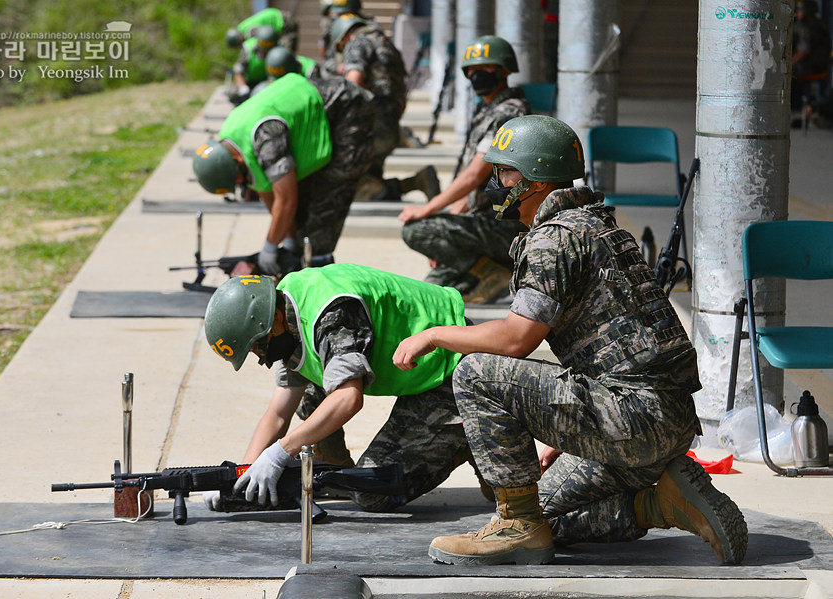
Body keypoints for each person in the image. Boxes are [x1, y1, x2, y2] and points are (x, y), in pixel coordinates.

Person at [393, 115, 748, 566]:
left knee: (476, 373)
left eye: (506, 173)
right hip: (660, 419)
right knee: (549, 521)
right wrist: (563, 436)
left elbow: (516, 339)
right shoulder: (597, 226)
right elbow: (612, 351)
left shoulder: (555, 238)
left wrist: (435, 335)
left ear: (535, 180)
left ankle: (515, 524)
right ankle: (662, 502)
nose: (497, 184)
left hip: (633, 417)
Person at [201, 264, 477, 512]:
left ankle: (468, 440)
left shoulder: (330, 317)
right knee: (311, 390)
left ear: (272, 319)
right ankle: (333, 465)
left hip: (453, 369)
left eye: (257, 346)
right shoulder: (283, 311)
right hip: (421, 371)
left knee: (372, 492)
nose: (261, 357)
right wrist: (241, 477)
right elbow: (278, 412)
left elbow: (348, 398)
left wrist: (278, 454)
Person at [192, 73, 374, 276]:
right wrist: (288, 239)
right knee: (300, 222)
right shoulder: (232, 140)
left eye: (238, 180)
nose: (242, 184)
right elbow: (265, 188)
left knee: (324, 211)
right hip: (322, 116)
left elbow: (286, 201)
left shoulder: (265, 137)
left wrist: (269, 248)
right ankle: (307, 265)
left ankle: (320, 275)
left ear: (236, 161)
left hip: (347, 109)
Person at [398, 35, 531, 303]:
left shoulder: (507, 113)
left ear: (504, 71)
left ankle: (492, 274)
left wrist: (429, 209)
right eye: (471, 70)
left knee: (416, 230)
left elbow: (474, 175)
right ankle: (489, 272)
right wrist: (454, 216)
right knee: (435, 288)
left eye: (484, 68)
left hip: (504, 226)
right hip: (485, 221)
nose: (475, 75)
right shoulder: (490, 110)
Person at [328, 14, 409, 201]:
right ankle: (417, 181)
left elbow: (353, 82)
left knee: (349, 186)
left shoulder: (357, 43)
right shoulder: (385, 43)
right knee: (373, 174)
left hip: (371, 120)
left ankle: (388, 188)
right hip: (391, 121)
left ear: (344, 37)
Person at [791, 0, 831, 118]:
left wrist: (789, 63)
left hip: (813, 67)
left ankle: (798, 110)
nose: (798, 13)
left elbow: (804, 51)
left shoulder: (812, 25)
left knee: (788, 73)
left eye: (801, 10)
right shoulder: (802, 24)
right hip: (807, 66)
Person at [228, 25, 279, 104]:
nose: (265, 53)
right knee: (235, 95)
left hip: (268, 82)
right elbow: (238, 72)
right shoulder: (248, 48)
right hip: (249, 82)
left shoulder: (279, 51)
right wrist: (243, 88)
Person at [226, 7, 298, 54]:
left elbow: (265, 37)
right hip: (279, 19)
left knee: (286, 54)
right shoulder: (241, 28)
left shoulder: (249, 31)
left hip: (283, 21)